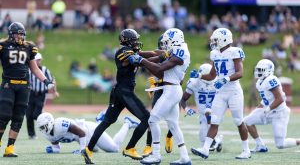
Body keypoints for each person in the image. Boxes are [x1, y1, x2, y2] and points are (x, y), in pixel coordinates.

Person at [81, 29, 150, 164]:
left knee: (107, 121)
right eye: (134, 40)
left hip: (119, 91)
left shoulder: (132, 51)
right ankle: (130, 148)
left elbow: (146, 55)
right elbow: (136, 60)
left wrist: (164, 55)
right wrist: (155, 61)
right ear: (126, 40)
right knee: (147, 118)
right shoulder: (123, 51)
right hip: (124, 92)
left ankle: (88, 149)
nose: (136, 42)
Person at [128, 28, 192, 165]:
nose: (165, 45)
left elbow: (159, 69)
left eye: (167, 42)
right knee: (173, 125)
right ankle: (184, 157)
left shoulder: (181, 51)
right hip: (171, 89)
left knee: (152, 120)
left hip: (171, 90)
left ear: (174, 40)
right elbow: (158, 57)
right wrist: (140, 58)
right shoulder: (178, 49)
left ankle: (156, 154)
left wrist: (141, 61)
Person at [191, 28, 251, 159]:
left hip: (233, 91)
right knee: (214, 120)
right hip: (220, 92)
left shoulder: (234, 51)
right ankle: (206, 149)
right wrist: (200, 75)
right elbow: (212, 75)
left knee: (238, 121)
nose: (213, 42)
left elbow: (240, 73)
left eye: (216, 40)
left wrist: (226, 78)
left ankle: (246, 150)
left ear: (224, 40)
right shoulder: (215, 54)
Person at [0, 22, 55, 157]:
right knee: (4, 115)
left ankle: (10, 148)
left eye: (21, 34)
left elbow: (34, 68)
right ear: (11, 34)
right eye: (17, 33)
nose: (19, 36)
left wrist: (46, 81)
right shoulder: (3, 46)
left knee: (18, 118)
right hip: (8, 84)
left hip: (24, 86)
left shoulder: (29, 47)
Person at [244, 59, 300, 152]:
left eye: (261, 70)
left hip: (279, 113)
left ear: (268, 70)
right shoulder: (259, 82)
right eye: (257, 69)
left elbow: (280, 98)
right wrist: (260, 106)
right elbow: (267, 98)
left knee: (280, 144)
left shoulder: (271, 79)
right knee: (246, 121)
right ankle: (260, 145)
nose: (258, 72)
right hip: (269, 111)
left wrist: (268, 108)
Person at [36, 112, 139, 154]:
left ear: (50, 122)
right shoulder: (48, 135)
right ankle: (99, 121)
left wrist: (82, 149)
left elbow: (82, 133)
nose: (43, 129)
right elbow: (57, 147)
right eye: (41, 127)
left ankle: (128, 123)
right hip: (83, 138)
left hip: (89, 129)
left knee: (114, 149)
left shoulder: (60, 124)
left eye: (44, 126)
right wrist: (52, 150)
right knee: (95, 150)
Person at [181, 63, 223, 153]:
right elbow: (183, 99)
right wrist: (186, 109)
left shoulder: (218, 82)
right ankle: (217, 139)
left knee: (208, 112)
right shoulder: (194, 82)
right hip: (202, 113)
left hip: (215, 111)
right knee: (202, 135)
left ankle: (212, 143)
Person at [26, 53, 59, 139]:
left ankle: (48, 121)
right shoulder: (29, 70)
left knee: (36, 114)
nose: (38, 62)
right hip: (31, 94)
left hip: (41, 94)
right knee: (28, 115)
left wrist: (54, 91)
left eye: (39, 60)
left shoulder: (45, 70)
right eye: (37, 60)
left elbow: (52, 81)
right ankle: (31, 134)